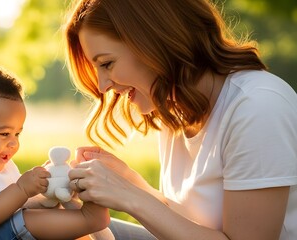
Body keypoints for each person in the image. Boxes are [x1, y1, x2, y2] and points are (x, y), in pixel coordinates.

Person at [63, 0, 297, 239]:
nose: (103, 87)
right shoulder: (175, 111)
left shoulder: (258, 107)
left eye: (107, 64)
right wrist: (129, 182)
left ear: (154, 40)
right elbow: (186, 226)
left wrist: (128, 195)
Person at [0, 59, 110, 240]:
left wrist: (45, 187)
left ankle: (83, 226)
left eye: (17, 134)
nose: (13, 143)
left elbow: (14, 206)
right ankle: (89, 219)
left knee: (47, 217)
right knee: (26, 220)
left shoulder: (5, 167)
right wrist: (21, 189)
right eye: (4, 134)